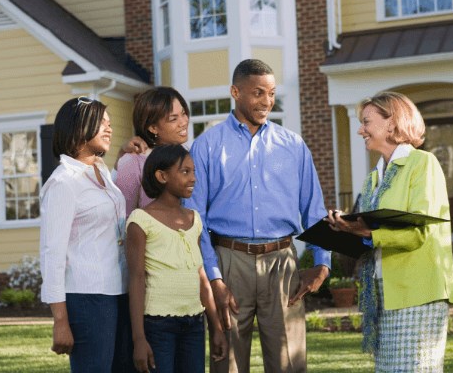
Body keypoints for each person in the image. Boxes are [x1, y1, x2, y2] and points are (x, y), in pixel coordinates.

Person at [185, 59, 331, 372]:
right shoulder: (207, 146)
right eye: (257, 93)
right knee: (228, 364)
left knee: (288, 362)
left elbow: (315, 211)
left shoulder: (293, 146)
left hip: (282, 263)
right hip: (228, 261)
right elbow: (195, 220)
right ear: (235, 92)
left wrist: (322, 263)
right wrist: (214, 278)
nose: (266, 101)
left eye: (271, 93)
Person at [326, 92, 453, 371]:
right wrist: (343, 229)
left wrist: (366, 233)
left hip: (418, 292)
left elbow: (418, 232)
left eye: (366, 122)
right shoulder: (373, 178)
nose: (361, 129)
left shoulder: (422, 164)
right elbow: (370, 232)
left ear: (391, 123)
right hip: (383, 293)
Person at [39, 97, 135, 372]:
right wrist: (60, 320)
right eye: (101, 123)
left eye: (109, 123)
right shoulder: (63, 183)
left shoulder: (102, 173)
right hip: (87, 297)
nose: (109, 129)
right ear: (79, 127)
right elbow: (52, 254)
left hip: (120, 290)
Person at [125, 144, 227, 373]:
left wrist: (216, 327)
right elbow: (136, 279)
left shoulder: (194, 219)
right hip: (158, 325)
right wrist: (139, 339)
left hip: (193, 323)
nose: (193, 178)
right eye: (185, 172)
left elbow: (200, 275)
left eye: (194, 172)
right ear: (161, 176)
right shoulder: (141, 220)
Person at [116, 86, 190, 216]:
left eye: (183, 113)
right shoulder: (134, 161)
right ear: (153, 128)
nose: (183, 122)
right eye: (173, 119)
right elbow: (123, 217)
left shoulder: (189, 155)